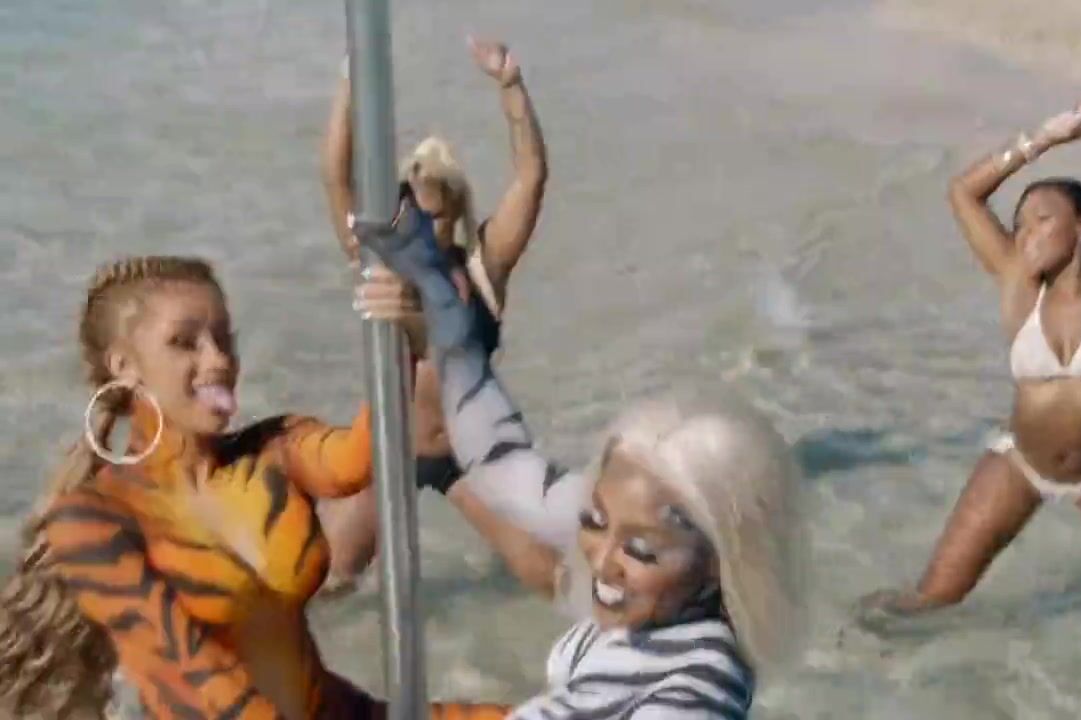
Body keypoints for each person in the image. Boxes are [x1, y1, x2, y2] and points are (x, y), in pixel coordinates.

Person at [0, 255, 509, 718]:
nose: (218, 360)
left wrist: (407, 340)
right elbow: (189, 671)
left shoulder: (271, 450)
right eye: (185, 342)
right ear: (124, 367)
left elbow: (359, 455)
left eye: (225, 339)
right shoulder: (93, 520)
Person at [359, 198, 808, 718]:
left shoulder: (696, 693)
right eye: (594, 521)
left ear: (717, 564)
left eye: (640, 550)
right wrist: (435, 293)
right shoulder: (656, 611)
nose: (599, 559)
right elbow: (501, 460)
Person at [861, 101, 1081, 618]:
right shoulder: (1017, 282)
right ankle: (830, 643)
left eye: (1042, 220)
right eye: (1020, 224)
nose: (1025, 233)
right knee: (927, 602)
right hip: (1019, 466)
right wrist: (1044, 138)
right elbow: (963, 192)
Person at [317, 36, 548, 593]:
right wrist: (352, 77)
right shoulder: (380, 264)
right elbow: (335, 174)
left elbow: (531, 177)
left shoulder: (482, 272)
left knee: (545, 573)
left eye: (438, 217)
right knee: (329, 582)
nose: (426, 230)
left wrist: (511, 86)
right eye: (415, 217)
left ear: (457, 212)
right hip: (389, 451)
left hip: (467, 452)